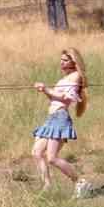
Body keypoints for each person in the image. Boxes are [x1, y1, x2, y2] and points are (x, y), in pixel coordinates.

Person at [31, 48, 91, 198]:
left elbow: (64, 99)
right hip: (51, 119)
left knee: (52, 158)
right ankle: (47, 185)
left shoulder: (76, 77)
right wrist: (44, 91)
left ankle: (80, 182)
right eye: (61, 60)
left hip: (60, 118)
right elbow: (55, 98)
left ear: (73, 61)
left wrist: (46, 89)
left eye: (65, 60)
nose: (61, 62)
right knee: (37, 152)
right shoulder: (63, 79)